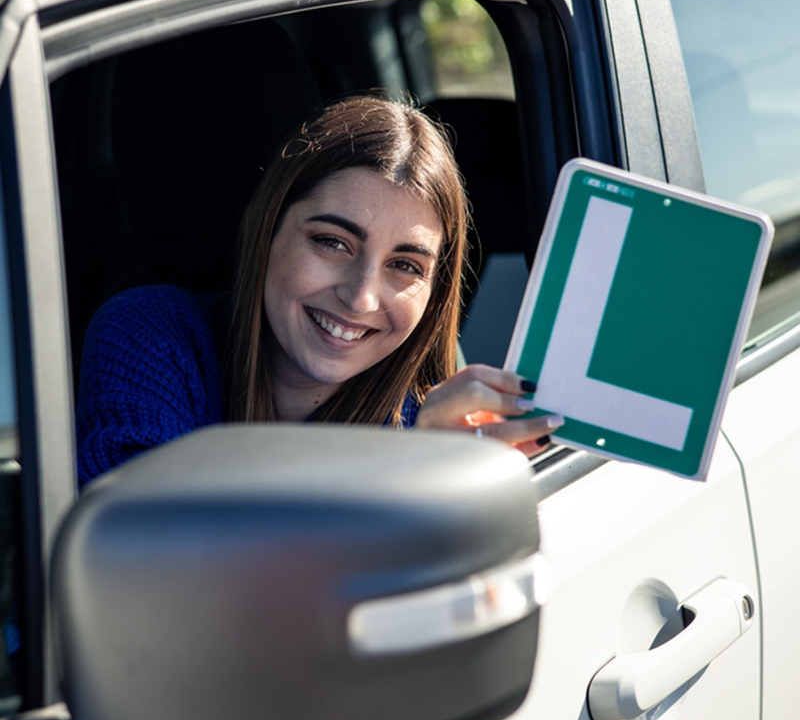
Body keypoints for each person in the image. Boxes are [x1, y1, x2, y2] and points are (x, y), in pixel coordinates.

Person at [76, 95, 560, 486]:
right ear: (264, 231)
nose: (361, 298)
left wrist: (434, 470)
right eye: (332, 243)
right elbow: (146, 561)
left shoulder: (439, 431)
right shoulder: (151, 335)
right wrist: (402, 478)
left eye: (405, 266)